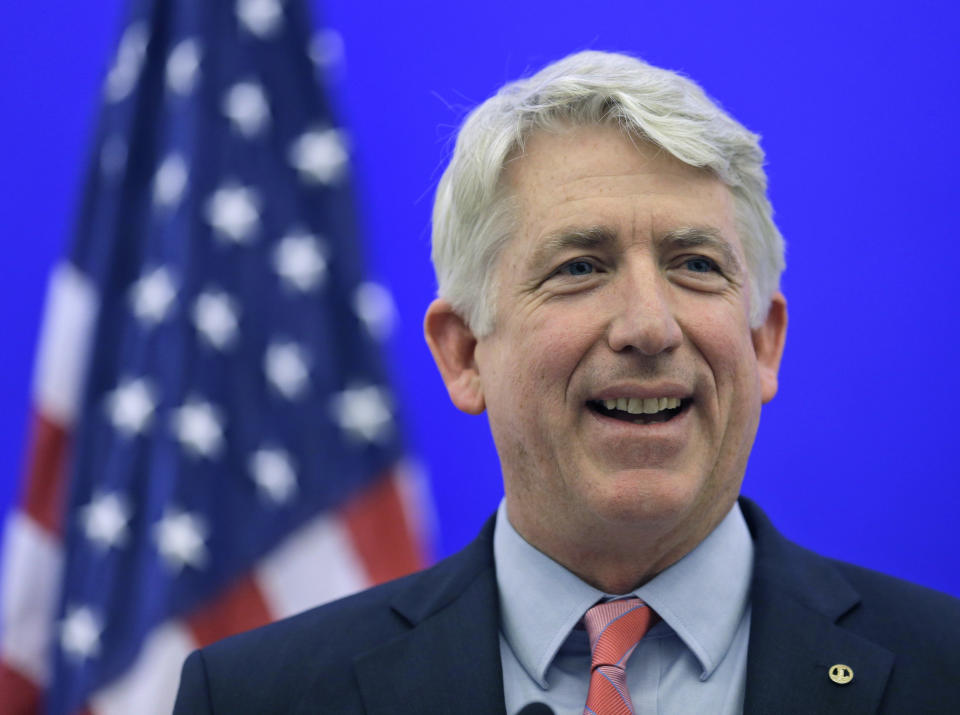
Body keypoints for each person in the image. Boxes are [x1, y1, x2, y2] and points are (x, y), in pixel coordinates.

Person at [173, 50, 960, 714]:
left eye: (696, 265)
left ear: (763, 344)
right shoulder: (258, 696)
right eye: (580, 267)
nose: (649, 326)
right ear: (464, 354)